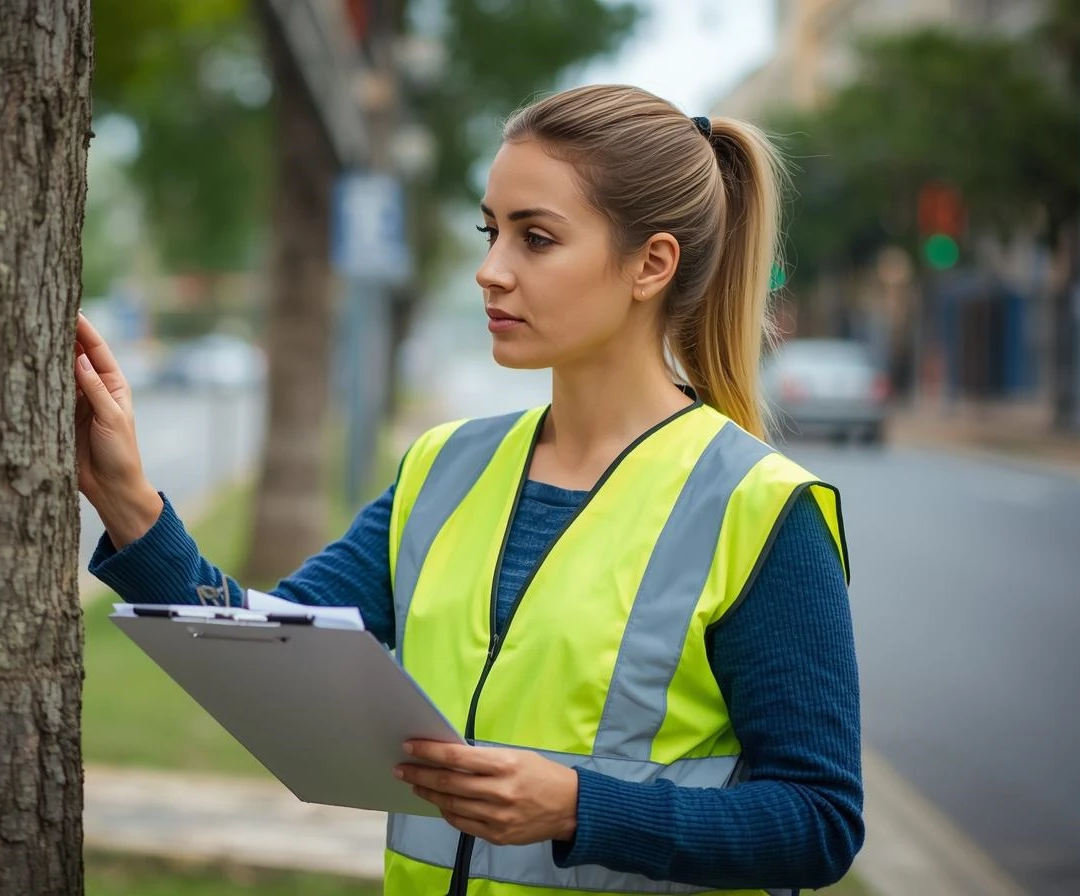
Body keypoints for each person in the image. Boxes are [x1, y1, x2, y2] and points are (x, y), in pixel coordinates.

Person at [74, 84, 862, 896]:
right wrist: (129, 500)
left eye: (537, 239)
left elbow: (819, 819)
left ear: (651, 264)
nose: (490, 271)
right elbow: (264, 645)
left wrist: (581, 809)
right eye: (492, 232)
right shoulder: (443, 468)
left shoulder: (760, 510)